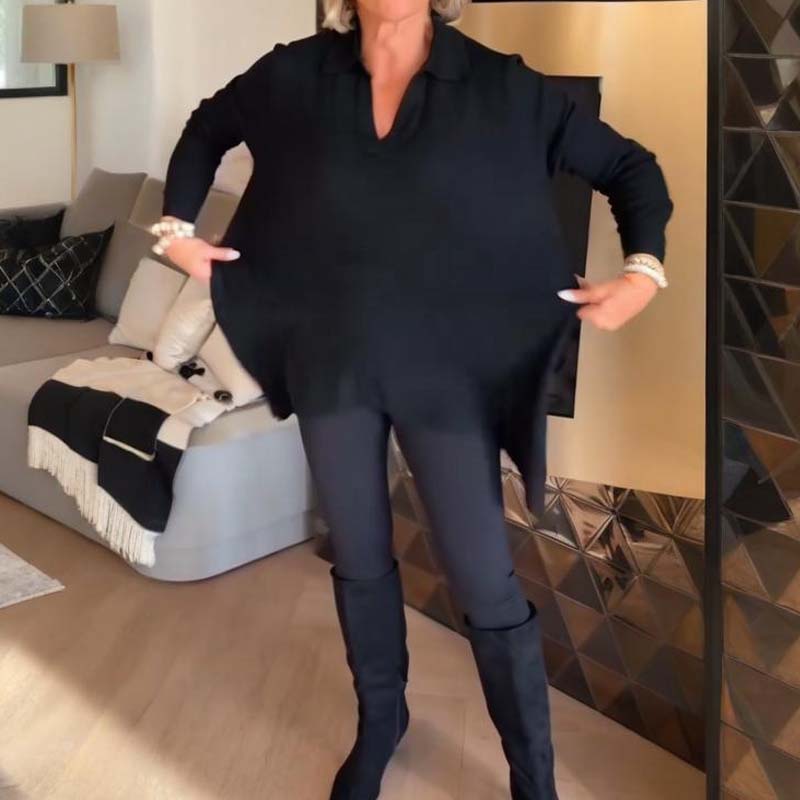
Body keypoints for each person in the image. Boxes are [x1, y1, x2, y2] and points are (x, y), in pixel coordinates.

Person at [155, 1, 673, 797]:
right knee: (359, 554)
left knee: (483, 577)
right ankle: (381, 721)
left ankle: (533, 776)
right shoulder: (294, 74)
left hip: (447, 378)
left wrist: (643, 274)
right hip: (332, 365)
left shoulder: (502, 87)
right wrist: (175, 230)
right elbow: (205, 128)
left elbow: (632, 169)